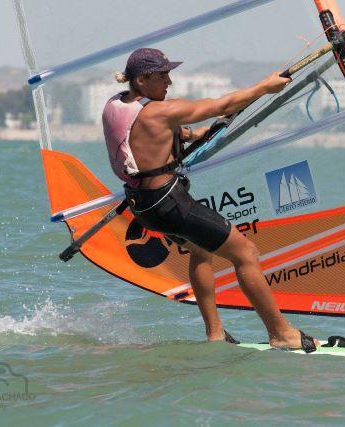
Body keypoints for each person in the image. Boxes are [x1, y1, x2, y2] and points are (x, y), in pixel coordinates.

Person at [102, 48, 317, 352]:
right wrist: (264, 87)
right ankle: (281, 333)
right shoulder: (160, 112)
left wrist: (187, 134)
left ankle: (215, 332)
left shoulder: (116, 105)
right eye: (163, 76)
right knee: (246, 253)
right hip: (170, 203)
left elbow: (141, 135)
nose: (169, 82)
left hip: (143, 205)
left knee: (201, 252)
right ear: (142, 78)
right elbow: (219, 105)